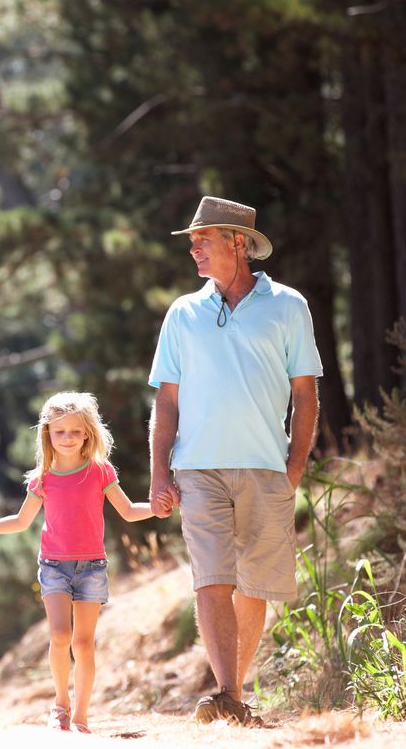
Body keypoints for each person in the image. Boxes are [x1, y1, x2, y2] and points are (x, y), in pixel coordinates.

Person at [147, 196, 321, 726]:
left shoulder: (289, 306)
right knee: (213, 579)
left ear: (238, 244)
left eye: (204, 241)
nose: (194, 249)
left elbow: (306, 394)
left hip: (267, 468)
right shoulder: (182, 312)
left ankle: (233, 692)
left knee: (253, 586)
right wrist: (158, 471)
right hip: (197, 468)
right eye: (193, 242)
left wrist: (293, 466)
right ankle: (227, 692)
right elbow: (166, 398)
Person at [0, 391, 164, 734]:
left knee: (83, 643)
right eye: (60, 432)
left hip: (92, 568)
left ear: (87, 432)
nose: (68, 438)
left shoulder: (100, 471)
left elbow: (130, 511)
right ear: (48, 435)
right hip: (54, 566)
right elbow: (21, 520)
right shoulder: (41, 478)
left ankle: (82, 716)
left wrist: (157, 508)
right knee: (60, 636)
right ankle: (61, 704)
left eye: (75, 431)